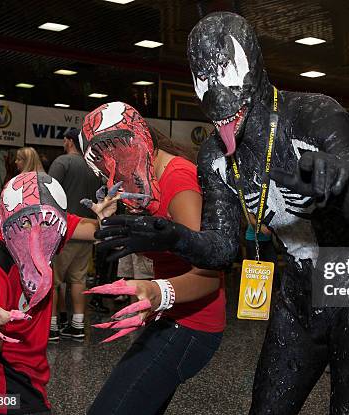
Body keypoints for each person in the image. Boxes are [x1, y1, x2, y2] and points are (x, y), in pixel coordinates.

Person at [95, 13, 349, 413]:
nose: (215, 92)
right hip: (299, 291)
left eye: (227, 71)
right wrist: (169, 234)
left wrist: (339, 187)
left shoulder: (313, 115)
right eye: (203, 79)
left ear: (253, 65)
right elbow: (221, 250)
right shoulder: (216, 155)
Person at [77, 102, 226, 414]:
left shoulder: (177, 179)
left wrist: (158, 292)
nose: (114, 165)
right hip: (170, 315)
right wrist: (110, 223)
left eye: (119, 150)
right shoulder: (145, 181)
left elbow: (210, 272)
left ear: (140, 138)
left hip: (192, 324)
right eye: (105, 159)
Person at [0, 171, 117, 414]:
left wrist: (106, 221)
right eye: (24, 223)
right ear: (6, 222)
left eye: (44, 223)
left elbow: (91, 231)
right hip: (1, 381)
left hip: (30, 373)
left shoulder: (48, 232)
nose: (34, 236)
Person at [48, 128, 101, 341]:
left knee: (53, 280)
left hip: (65, 229)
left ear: (69, 141)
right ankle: (78, 325)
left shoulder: (62, 162)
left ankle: (52, 327)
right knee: (79, 280)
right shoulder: (93, 166)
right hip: (88, 231)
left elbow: (49, 193)